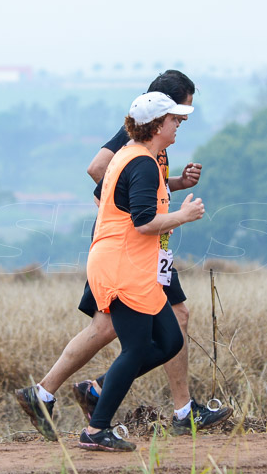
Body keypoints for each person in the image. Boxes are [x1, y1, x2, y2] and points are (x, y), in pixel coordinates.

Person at [15, 72, 232, 442]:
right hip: (127, 249)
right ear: (160, 112)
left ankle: (56, 393)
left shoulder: (149, 150)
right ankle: (129, 412)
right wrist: (136, 212)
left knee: (145, 326)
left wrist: (173, 184)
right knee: (129, 331)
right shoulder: (138, 139)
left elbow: (142, 191)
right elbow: (102, 175)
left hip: (138, 247)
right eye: (179, 114)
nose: (182, 121)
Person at [79, 91, 204, 450]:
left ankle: (98, 389)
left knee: (168, 341)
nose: (178, 125)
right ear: (156, 125)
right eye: (174, 120)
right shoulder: (143, 163)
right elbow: (144, 222)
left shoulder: (133, 156)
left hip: (131, 265)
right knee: (135, 349)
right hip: (122, 267)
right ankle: (96, 430)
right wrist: (184, 215)